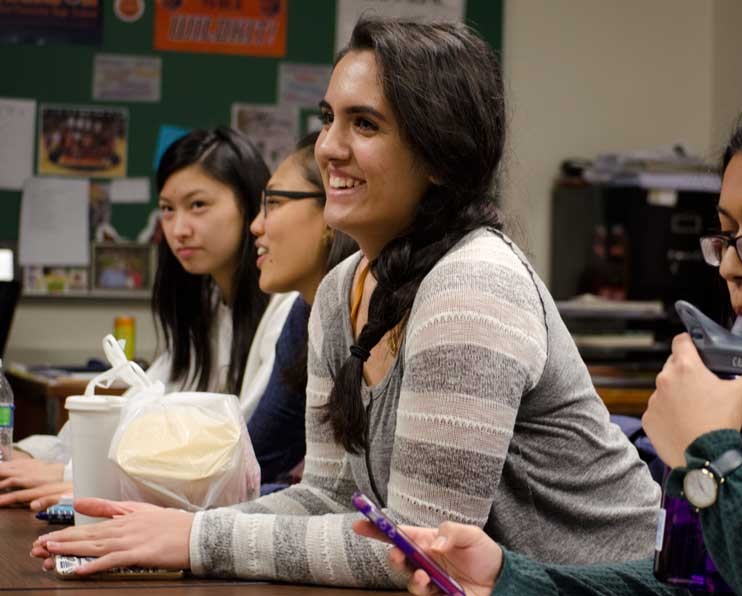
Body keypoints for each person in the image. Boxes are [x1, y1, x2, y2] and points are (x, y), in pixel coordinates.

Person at [29, 19, 660, 588]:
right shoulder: (343, 286)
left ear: (441, 156)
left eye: (364, 124)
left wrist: (195, 537)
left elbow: (418, 550)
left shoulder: (472, 286)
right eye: (329, 117)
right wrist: (174, 528)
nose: (328, 147)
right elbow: (327, 497)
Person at [357, 84, 742, 596]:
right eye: (729, 236)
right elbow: (693, 583)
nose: (732, 265)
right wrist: (506, 578)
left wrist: (713, 455)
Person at [1, 128, 288, 509]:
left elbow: (239, 450)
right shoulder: (203, 306)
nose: (178, 229)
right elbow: (140, 406)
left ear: (252, 207)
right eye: (167, 209)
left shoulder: (285, 310)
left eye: (198, 205)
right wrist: (35, 454)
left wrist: (73, 474)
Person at [247, 130, 357, 487]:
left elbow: (346, 500)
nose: (256, 225)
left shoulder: (372, 309)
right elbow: (256, 459)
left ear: (331, 211)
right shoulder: (303, 313)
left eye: (274, 203)